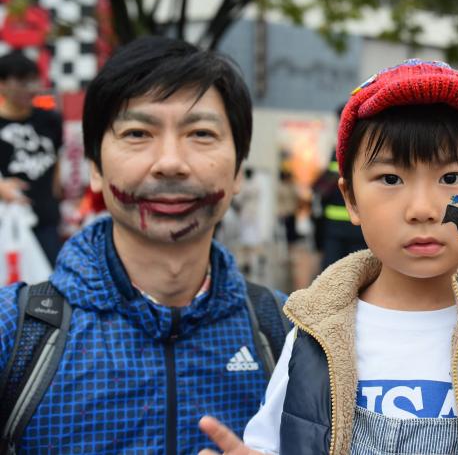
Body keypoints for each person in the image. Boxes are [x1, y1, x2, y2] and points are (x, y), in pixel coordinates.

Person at [199, 59, 458, 455]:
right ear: (351, 200)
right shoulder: (314, 333)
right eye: (390, 179)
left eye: (450, 179)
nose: (421, 209)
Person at [0, 37, 289, 453]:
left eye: (201, 133)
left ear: (238, 171)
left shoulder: (288, 336)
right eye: (138, 132)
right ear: (96, 168)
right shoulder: (17, 335)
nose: (170, 161)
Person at [0, 51, 63, 266]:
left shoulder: (49, 119)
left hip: (46, 217)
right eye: (21, 82)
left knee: (49, 283)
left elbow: (56, 158)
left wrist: (56, 194)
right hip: (8, 220)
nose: (30, 88)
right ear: (2, 84)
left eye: (33, 81)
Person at [310, 104, 367, 270]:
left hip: (355, 229)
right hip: (338, 229)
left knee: (357, 275)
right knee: (333, 278)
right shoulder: (336, 151)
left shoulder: (360, 151)